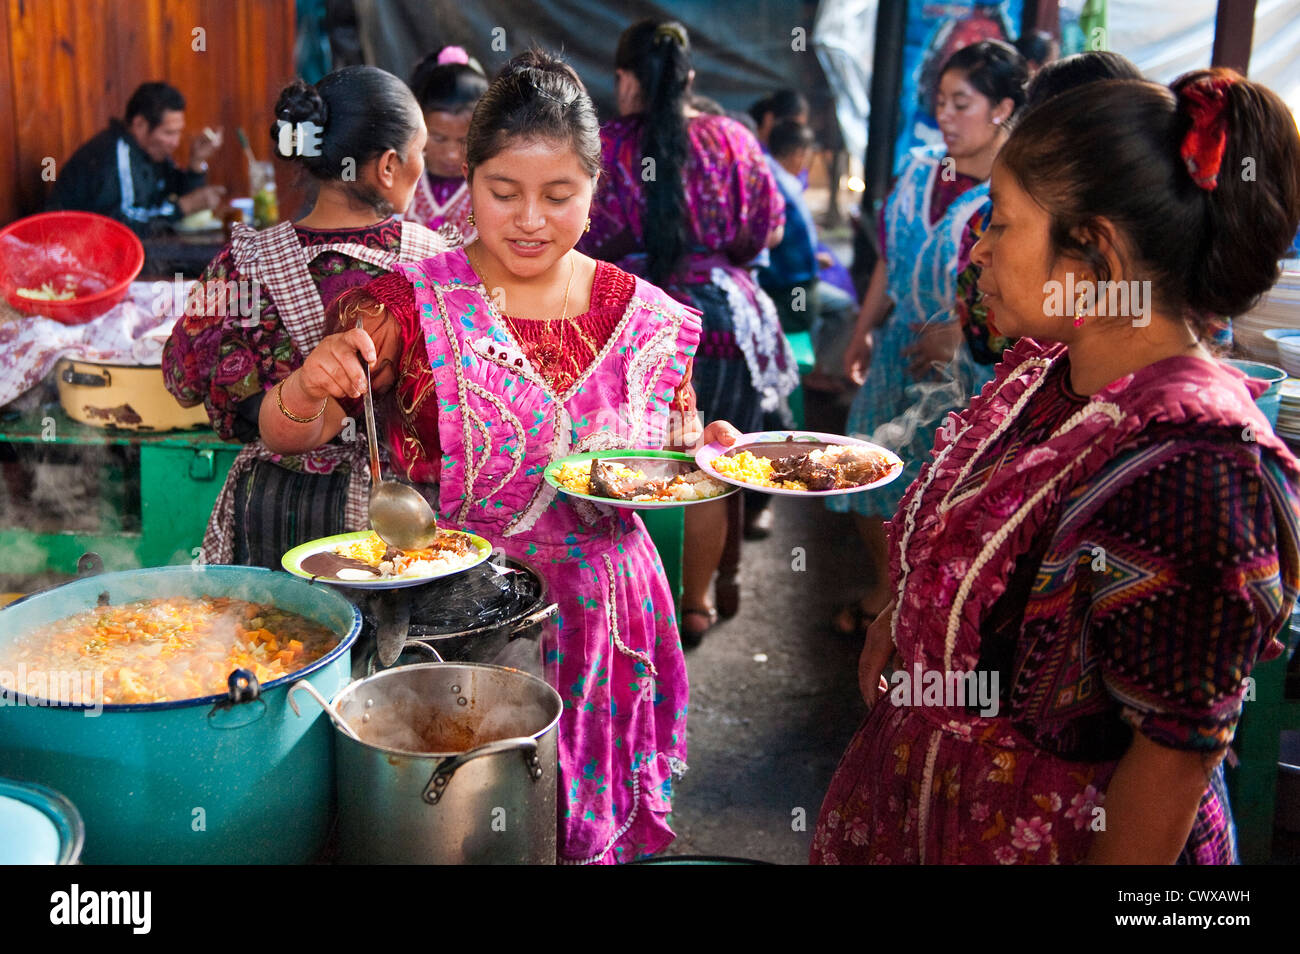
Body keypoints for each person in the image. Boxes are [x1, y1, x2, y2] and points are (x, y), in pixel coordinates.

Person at [259, 49, 738, 864]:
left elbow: (671, 455)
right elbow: (284, 433)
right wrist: (310, 382)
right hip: (458, 630)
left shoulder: (644, 318)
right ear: (465, 181)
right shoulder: (408, 305)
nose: (529, 220)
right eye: (502, 192)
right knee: (465, 835)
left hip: (606, 626)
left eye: (559, 196)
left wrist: (709, 455)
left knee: (585, 834)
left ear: (594, 186)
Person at [811, 68, 1300, 864]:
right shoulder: (1050, 372)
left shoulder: (1194, 466)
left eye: (1002, 224)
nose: (979, 246)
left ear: (1093, 251)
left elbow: (1171, 762)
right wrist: (906, 625)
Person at [163, 66, 448, 567]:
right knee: (406, 643)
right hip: (406, 515)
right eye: (420, 152)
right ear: (387, 166)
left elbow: (182, 380)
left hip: (275, 510)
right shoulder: (436, 267)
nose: (422, 165)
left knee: (284, 639)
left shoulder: (240, 265)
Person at [581, 19, 795, 641]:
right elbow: (768, 233)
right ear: (690, 77)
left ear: (625, 79)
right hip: (726, 326)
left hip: (633, 323)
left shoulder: (608, 147)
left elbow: (587, 240)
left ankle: (619, 602)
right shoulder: (733, 139)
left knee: (620, 468)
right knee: (712, 464)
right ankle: (696, 602)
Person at [831, 40, 1027, 637]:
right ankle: (890, 594)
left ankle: (922, 612)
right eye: (940, 101)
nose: (945, 115)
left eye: (961, 103)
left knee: (940, 496)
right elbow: (891, 263)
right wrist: (861, 333)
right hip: (896, 350)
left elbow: (1021, 296)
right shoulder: (920, 170)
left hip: (967, 371)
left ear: (1002, 109)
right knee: (861, 472)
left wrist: (963, 337)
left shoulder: (1011, 194)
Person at [47, 82, 225, 236]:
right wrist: (182, 208)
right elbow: (120, 225)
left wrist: (196, 164)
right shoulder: (113, 154)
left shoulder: (151, 152)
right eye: (169, 133)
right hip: (68, 253)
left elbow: (182, 201)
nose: (175, 142)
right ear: (140, 124)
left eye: (178, 132)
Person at [759, 119, 856, 393]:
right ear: (797, 153)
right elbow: (771, 241)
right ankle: (815, 373)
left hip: (792, 285)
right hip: (790, 292)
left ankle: (817, 369)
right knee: (836, 309)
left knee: (840, 305)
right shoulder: (777, 182)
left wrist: (813, 259)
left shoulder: (777, 178)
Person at [404, 45, 488, 243]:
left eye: (464, 141)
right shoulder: (402, 180)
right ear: (418, 125)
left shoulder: (490, 187)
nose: (451, 154)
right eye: (439, 138)